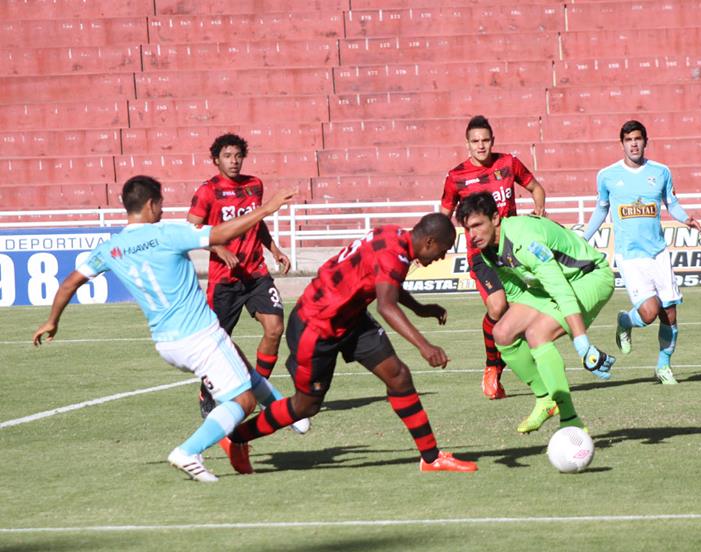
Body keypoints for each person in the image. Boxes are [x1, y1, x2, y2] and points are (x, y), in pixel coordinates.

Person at [32, 175, 296, 482]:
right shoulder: (168, 233)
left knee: (237, 359)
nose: (163, 208)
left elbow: (70, 282)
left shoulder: (111, 248)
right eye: (160, 203)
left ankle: (286, 411)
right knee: (243, 401)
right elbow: (222, 232)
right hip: (199, 335)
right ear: (150, 204)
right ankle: (190, 450)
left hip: (167, 345)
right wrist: (266, 209)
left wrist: (53, 321)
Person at [224, 213, 477, 473]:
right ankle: (236, 438)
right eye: (442, 250)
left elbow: (387, 281)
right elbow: (387, 306)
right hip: (317, 324)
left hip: (351, 318)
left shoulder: (394, 235)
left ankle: (431, 457)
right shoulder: (395, 255)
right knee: (306, 406)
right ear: (429, 241)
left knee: (398, 376)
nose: (441, 257)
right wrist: (425, 346)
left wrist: (419, 308)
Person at [455, 192, 616, 434]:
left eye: (477, 225)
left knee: (537, 334)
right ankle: (546, 399)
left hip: (590, 277)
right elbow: (516, 294)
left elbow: (560, 288)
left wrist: (581, 341)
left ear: (496, 218)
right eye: (468, 229)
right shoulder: (488, 251)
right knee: (502, 333)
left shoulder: (524, 239)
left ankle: (571, 419)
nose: (472, 235)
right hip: (550, 286)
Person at [187, 133, 308, 434]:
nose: (234, 161)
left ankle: (260, 388)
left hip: (255, 274)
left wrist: (275, 249)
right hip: (225, 280)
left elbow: (257, 221)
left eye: (238, 155)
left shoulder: (254, 185)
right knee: (216, 342)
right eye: (227, 156)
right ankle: (207, 391)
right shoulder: (208, 191)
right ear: (216, 160)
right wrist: (219, 248)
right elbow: (192, 230)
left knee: (275, 327)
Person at [581, 120, 701, 385]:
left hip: (658, 253)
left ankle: (663, 366)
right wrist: (583, 238)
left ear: (646, 141)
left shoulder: (660, 172)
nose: (634, 144)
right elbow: (601, 209)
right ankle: (625, 321)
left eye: (638, 139)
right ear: (622, 143)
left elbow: (671, 202)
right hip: (630, 256)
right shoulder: (607, 176)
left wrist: (685, 219)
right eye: (628, 140)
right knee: (649, 312)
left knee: (669, 313)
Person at [439, 115, 547, 400]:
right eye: (475, 141)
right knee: (498, 307)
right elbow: (444, 214)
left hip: (512, 250)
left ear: (492, 141)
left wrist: (538, 208)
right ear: (468, 144)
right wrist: (438, 241)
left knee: (527, 311)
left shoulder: (508, 164)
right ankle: (492, 368)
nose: (481, 146)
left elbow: (537, 188)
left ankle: (529, 365)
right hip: (480, 255)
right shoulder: (456, 177)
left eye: (485, 140)